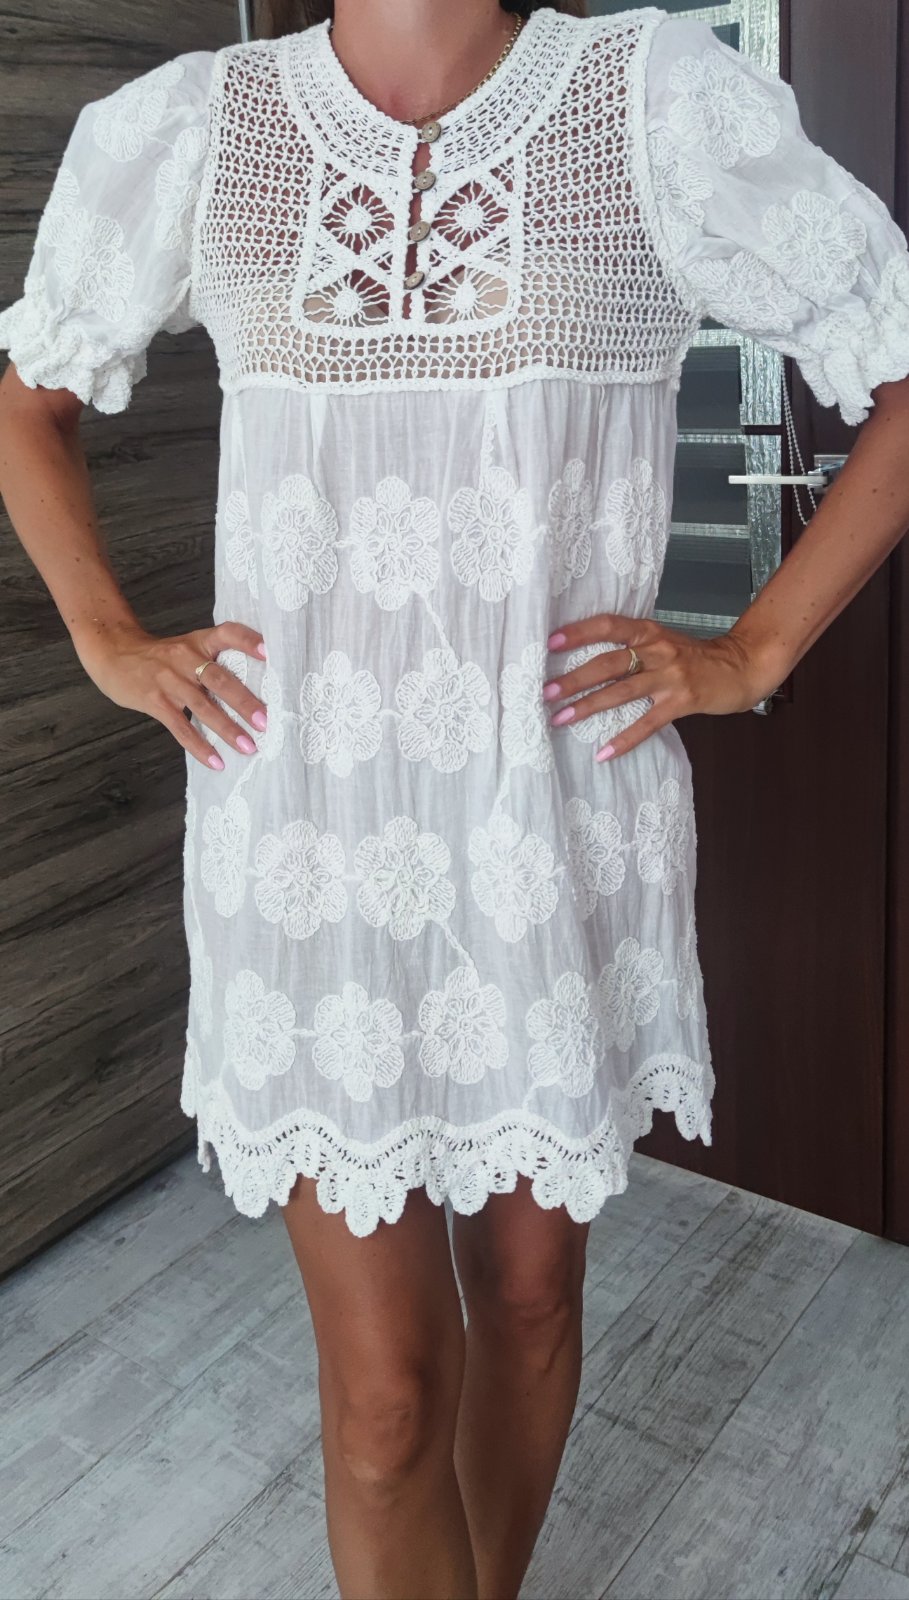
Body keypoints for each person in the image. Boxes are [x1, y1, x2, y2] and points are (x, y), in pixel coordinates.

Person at [3, 1, 909, 1595]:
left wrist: (752, 650)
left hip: (551, 832)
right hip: (303, 849)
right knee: (384, 1405)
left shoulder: (649, 102)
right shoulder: (196, 126)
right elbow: (29, 400)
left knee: (533, 1302)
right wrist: (106, 637)